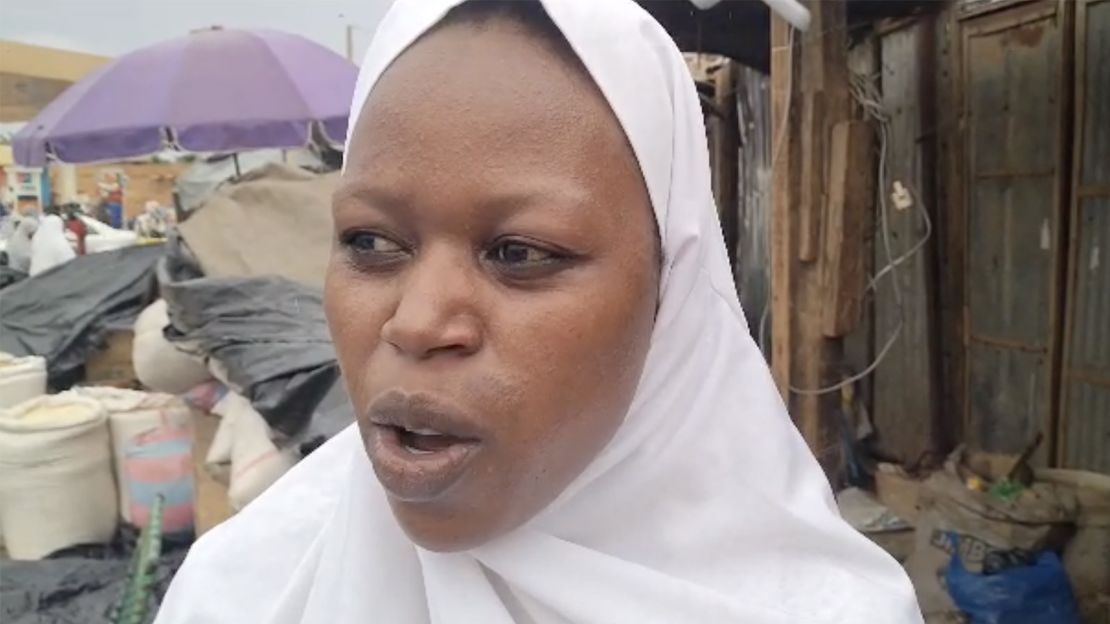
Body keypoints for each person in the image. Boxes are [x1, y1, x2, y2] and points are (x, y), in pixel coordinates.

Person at [156, 1, 923, 622]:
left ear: (669, 295)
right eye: (370, 241)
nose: (417, 322)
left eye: (519, 253)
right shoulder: (242, 591)